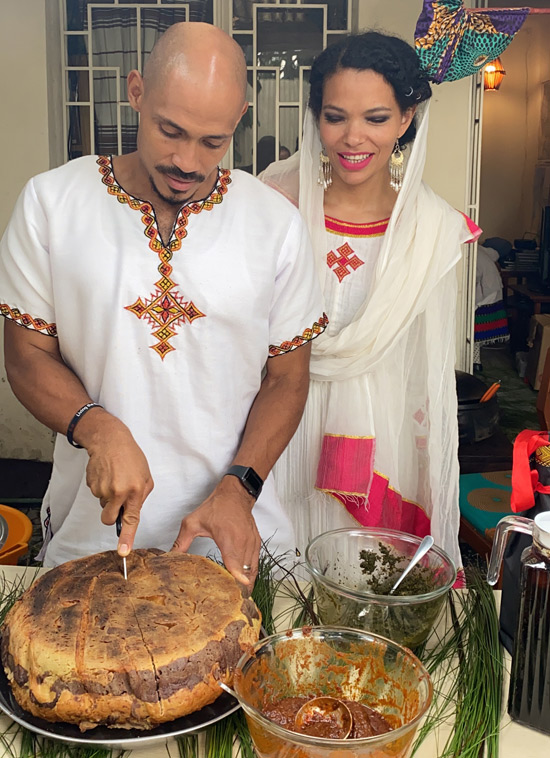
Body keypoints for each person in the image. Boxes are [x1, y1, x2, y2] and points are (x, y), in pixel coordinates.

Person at [0, 22, 326, 585]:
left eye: (212, 141)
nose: (187, 161)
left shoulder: (275, 224)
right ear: (136, 93)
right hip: (95, 534)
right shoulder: (53, 204)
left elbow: (287, 379)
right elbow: (27, 353)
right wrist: (97, 427)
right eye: (169, 130)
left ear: (239, 120)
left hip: (233, 533)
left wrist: (239, 486)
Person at [261, 32, 480, 571]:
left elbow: (424, 371)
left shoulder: (432, 231)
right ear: (315, 117)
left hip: (383, 437)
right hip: (277, 426)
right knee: (277, 586)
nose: (352, 136)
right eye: (336, 116)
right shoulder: (271, 202)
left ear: (407, 118)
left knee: (366, 592)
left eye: (376, 118)